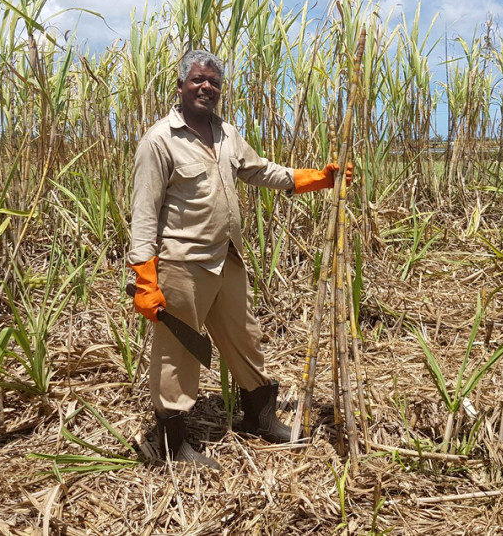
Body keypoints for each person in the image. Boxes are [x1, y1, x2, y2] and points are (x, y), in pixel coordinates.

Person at [128, 49, 352, 469]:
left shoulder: (227, 134)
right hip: (181, 264)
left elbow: (260, 170)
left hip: (225, 259)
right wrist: (144, 278)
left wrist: (317, 179)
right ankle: (173, 443)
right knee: (178, 354)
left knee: (245, 337)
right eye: (197, 80)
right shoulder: (159, 140)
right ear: (180, 87)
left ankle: (259, 417)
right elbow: (144, 213)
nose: (206, 87)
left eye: (213, 82)